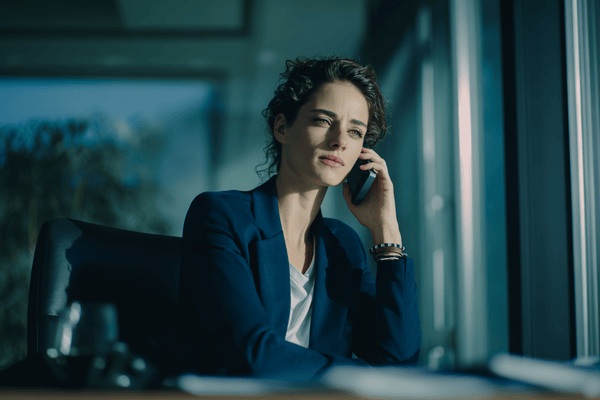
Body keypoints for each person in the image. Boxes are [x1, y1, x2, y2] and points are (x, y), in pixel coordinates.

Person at [172, 57, 421, 380]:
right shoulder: (222, 216)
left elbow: (399, 360)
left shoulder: (343, 246)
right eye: (322, 121)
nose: (340, 141)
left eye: (355, 131)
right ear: (282, 127)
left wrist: (386, 230)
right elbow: (255, 356)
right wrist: (366, 374)